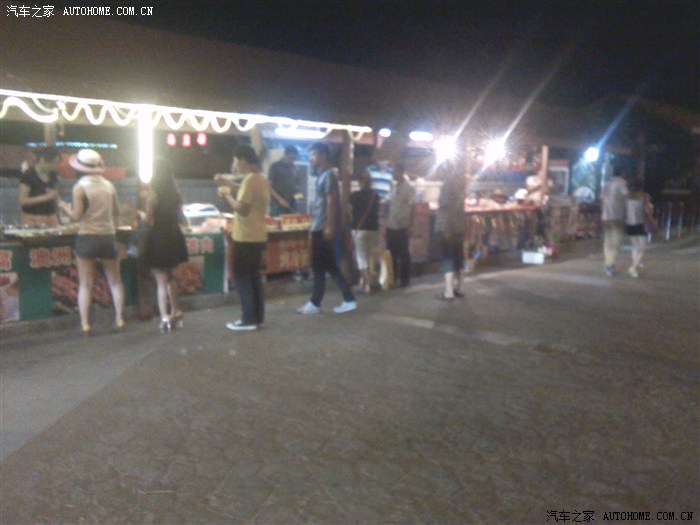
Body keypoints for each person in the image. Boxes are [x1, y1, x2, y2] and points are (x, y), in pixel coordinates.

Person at [61, 149, 124, 335]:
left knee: (85, 284)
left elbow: (76, 216)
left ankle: (85, 324)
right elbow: (116, 212)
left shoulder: (79, 187)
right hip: (108, 236)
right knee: (115, 282)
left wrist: (64, 208)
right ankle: (120, 319)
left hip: (87, 237)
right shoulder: (109, 186)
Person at [297, 142, 357, 314]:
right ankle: (347, 299)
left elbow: (332, 202)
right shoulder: (324, 175)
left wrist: (330, 227)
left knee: (319, 266)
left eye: (313, 155)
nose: (311, 159)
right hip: (320, 226)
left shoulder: (329, 175)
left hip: (322, 228)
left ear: (323, 156)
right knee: (329, 266)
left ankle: (316, 303)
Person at [216, 145, 270, 331]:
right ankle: (258, 318)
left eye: (235, 160)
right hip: (258, 236)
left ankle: (248, 319)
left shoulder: (250, 180)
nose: (234, 164)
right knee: (254, 277)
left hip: (246, 236)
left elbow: (242, 208)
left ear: (243, 160)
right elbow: (244, 191)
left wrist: (227, 195)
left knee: (241, 277)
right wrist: (228, 183)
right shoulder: (260, 179)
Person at [142, 161, 189, 332]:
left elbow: (148, 220)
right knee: (171, 278)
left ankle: (164, 316)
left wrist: (142, 215)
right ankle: (176, 311)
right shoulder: (176, 194)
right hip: (174, 236)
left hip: (159, 238)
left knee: (161, 281)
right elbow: (178, 215)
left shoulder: (153, 195)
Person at [435, 164, 466, 301]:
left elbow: (447, 209)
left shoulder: (448, 186)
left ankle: (449, 291)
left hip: (448, 227)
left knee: (447, 258)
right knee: (458, 258)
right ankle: (459, 288)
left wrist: (447, 229)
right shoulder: (460, 186)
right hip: (458, 227)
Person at [349, 170, 380, 293]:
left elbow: (349, 212)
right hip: (373, 229)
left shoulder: (354, 196)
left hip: (359, 229)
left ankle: (366, 284)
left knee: (361, 257)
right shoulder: (376, 196)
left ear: (360, 182)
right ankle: (374, 281)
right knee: (372, 255)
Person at [385, 162, 415, 288]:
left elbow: (412, 207)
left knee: (404, 254)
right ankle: (393, 277)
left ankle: (405, 280)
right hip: (391, 224)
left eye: (394, 172)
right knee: (391, 253)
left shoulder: (409, 188)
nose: (392, 174)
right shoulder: (393, 187)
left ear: (400, 172)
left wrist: (411, 225)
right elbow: (388, 201)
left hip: (403, 225)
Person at [18, 146, 62, 226]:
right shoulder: (28, 175)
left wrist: (57, 199)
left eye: (56, 163)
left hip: (51, 217)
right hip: (32, 218)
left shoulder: (53, 174)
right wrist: (46, 197)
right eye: (52, 163)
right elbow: (23, 201)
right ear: (42, 160)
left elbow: (56, 195)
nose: (54, 166)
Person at [600, 168, 629, 276]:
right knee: (616, 242)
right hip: (617, 216)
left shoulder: (607, 183)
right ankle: (610, 265)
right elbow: (626, 195)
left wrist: (603, 213)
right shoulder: (622, 183)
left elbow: (601, 199)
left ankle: (607, 263)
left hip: (606, 217)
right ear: (622, 173)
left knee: (608, 241)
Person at [625, 180, 652, 278]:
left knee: (635, 246)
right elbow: (648, 211)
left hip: (629, 224)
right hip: (640, 224)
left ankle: (635, 265)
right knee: (642, 247)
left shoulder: (626, 198)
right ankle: (633, 267)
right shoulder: (643, 198)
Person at [268, 145, 299, 216]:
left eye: (294, 159)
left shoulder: (294, 168)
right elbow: (269, 187)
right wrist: (280, 199)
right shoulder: (275, 166)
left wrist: (299, 197)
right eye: (290, 158)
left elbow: (295, 186)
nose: (292, 161)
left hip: (291, 204)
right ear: (285, 155)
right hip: (277, 205)